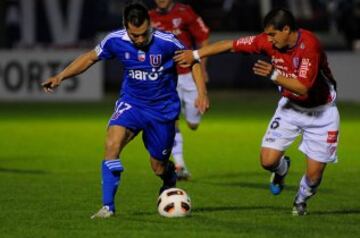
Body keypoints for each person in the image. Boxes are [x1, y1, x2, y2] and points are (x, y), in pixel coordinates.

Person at [41, 1, 209, 219]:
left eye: (143, 34)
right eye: (134, 35)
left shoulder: (167, 41)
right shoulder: (115, 40)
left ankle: (169, 180)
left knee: (158, 166)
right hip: (132, 103)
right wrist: (60, 76)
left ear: (150, 24)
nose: (139, 40)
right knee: (112, 142)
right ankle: (107, 207)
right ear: (125, 27)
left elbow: (193, 62)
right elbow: (90, 57)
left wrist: (202, 93)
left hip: (163, 110)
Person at [174, 8, 339, 216]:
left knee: (314, 176)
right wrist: (195, 54)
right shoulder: (266, 41)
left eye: (273, 34)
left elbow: (303, 87)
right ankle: (281, 170)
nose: (268, 40)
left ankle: (301, 199)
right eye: (267, 35)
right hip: (290, 108)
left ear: (286, 29)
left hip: (322, 114)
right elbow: (230, 45)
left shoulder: (309, 46)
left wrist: (273, 74)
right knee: (267, 161)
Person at [149, 0, 210, 180]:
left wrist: (203, 68)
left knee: (193, 124)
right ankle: (180, 165)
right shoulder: (150, 18)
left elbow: (203, 38)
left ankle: (186, 110)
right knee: (171, 121)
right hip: (166, 77)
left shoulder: (185, 12)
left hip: (190, 74)